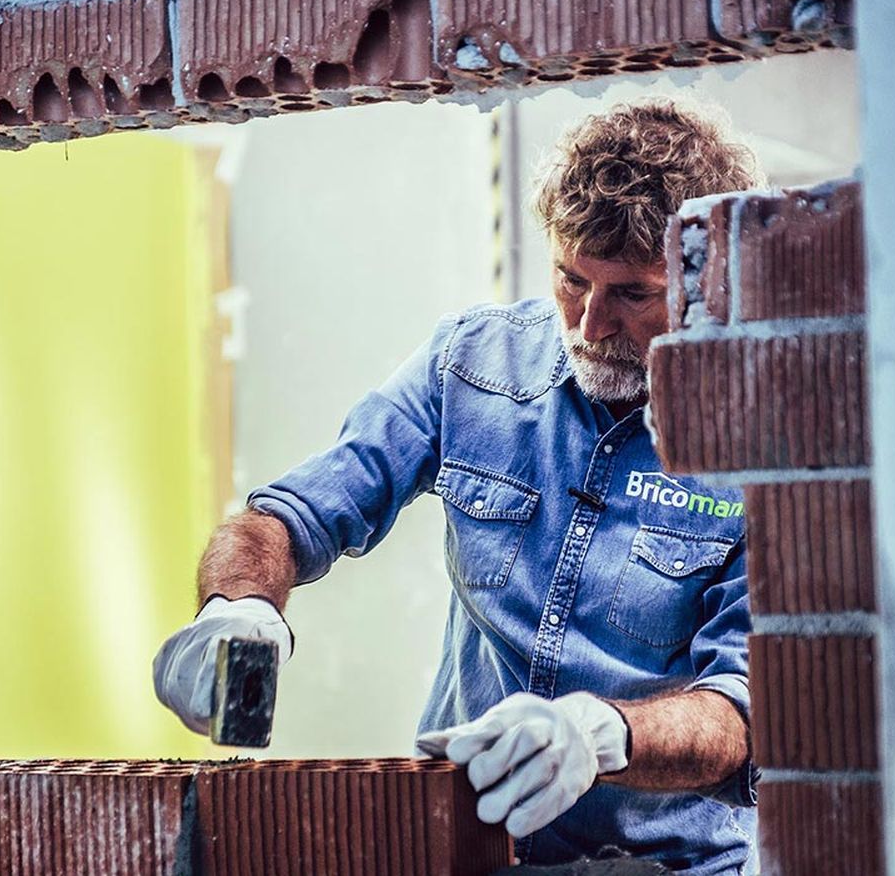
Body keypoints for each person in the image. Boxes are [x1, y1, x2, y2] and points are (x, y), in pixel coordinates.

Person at [154, 98, 763, 874]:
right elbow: (293, 515)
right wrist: (238, 603)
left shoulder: (760, 438)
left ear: (709, 280)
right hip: (466, 853)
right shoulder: (474, 364)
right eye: (572, 280)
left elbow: (742, 713)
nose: (589, 326)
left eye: (632, 295)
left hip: (665, 865)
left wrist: (599, 735)